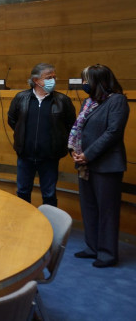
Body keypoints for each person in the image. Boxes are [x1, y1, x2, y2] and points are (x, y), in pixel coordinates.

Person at [69, 64, 129, 268]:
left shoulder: (117, 101)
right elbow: (78, 129)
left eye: (87, 80)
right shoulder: (88, 102)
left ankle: (107, 253)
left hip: (107, 166)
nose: (84, 84)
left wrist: (88, 154)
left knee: (107, 211)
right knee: (89, 208)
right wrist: (76, 152)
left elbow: (113, 133)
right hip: (85, 164)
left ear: (100, 81)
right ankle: (92, 247)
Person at [7, 63, 76, 206]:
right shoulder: (21, 98)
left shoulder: (63, 101)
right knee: (23, 193)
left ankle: (52, 226)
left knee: (49, 194)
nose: (53, 80)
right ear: (36, 80)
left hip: (50, 157)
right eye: (49, 77)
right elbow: (12, 120)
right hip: (25, 156)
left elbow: (71, 126)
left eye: (54, 77)